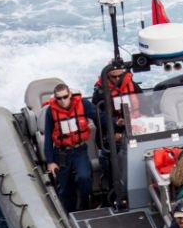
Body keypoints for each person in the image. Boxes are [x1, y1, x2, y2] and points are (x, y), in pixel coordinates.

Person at [43, 83, 98, 212]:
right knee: (65, 187)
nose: (62, 101)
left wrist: (116, 125)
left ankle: (85, 204)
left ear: (70, 95)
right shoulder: (51, 111)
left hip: (79, 150)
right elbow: (48, 138)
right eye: (59, 98)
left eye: (65, 97)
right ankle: (70, 212)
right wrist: (50, 161)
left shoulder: (83, 104)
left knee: (84, 177)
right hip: (62, 153)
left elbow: (99, 116)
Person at [92, 58, 143, 181]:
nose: (117, 80)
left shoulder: (133, 87)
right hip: (110, 133)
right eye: (113, 77)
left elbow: (145, 106)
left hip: (134, 129)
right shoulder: (100, 93)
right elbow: (98, 117)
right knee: (109, 162)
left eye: (120, 76)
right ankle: (113, 187)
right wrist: (114, 129)